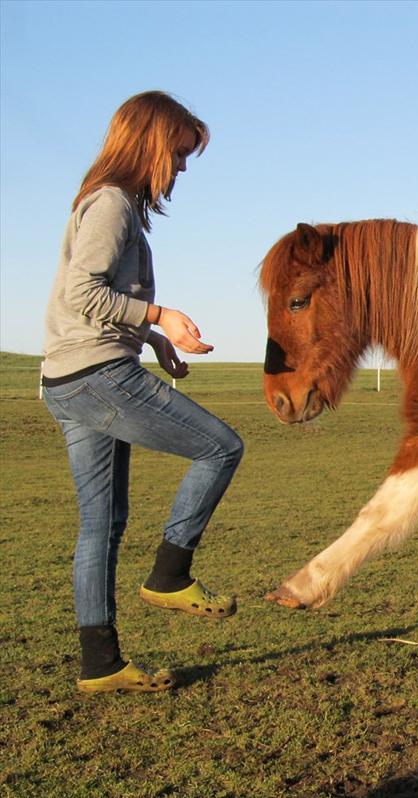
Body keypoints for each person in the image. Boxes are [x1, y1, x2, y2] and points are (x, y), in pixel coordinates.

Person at [40, 91, 244, 694]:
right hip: (97, 376)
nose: (181, 168)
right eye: (180, 154)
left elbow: (92, 307)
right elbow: (84, 294)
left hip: (69, 378)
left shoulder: (106, 202)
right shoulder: (111, 205)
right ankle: (171, 573)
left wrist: (151, 337)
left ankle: (102, 665)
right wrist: (162, 313)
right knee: (221, 447)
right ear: (152, 143)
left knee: (100, 526)